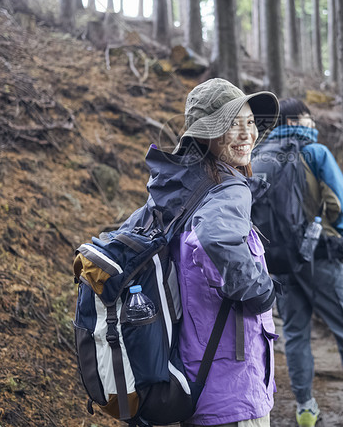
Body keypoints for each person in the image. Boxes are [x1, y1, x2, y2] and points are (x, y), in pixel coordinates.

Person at [120, 78, 280, 427]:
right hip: (232, 384)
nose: (246, 134)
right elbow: (217, 238)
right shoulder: (227, 188)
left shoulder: (175, 185)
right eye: (231, 124)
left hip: (192, 376)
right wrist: (261, 292)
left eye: (250, 122)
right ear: (205, 134)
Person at [256, 98, 343, 426]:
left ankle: (305, 409)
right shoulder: (314, 152)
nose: (310, 123)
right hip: (321, 258)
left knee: (294, 334)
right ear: (296, 120)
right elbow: (338, 202)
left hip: (280, 263)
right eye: (307, 118)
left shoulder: (259, 154)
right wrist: (337, 233)